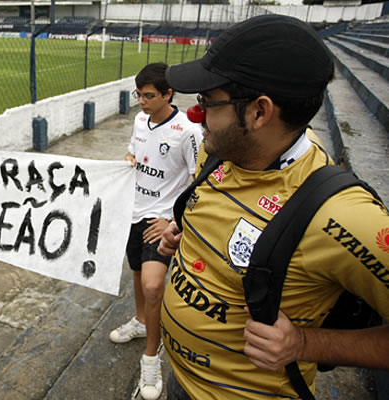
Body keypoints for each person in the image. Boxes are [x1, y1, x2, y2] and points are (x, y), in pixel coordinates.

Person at [157, 14, 389, 400]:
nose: (196, 116)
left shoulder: (343, 216)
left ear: (259, 112)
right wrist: (186, 238)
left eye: (208, 102)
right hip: (182, 383)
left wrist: (303, 344)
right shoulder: (220, 152)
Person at [109, 63, 202, 400]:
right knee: (137, 275)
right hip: (133, 213)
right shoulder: (139, 120)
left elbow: (198, 180)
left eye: (149, 96)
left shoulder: (189, 130)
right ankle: (140, 321)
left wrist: (173, 222)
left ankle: (152, 356)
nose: (142, 102)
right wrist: (131, 156)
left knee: (153, 286)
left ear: (168, 94)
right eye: (139, 95)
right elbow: (135, 149)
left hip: (159, 219)